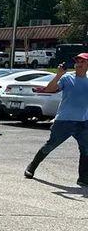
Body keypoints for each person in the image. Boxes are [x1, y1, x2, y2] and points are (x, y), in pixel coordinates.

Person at [24, 53, 88, 186]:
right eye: (77, 61)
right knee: (50, 145)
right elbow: (50, 89)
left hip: (83, 122)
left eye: (82, 62)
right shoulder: (67, 78)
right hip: (64, 120)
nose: (79, 64)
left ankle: (83, 178)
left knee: (86, 149)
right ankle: (32, 167)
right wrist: (58, 74)